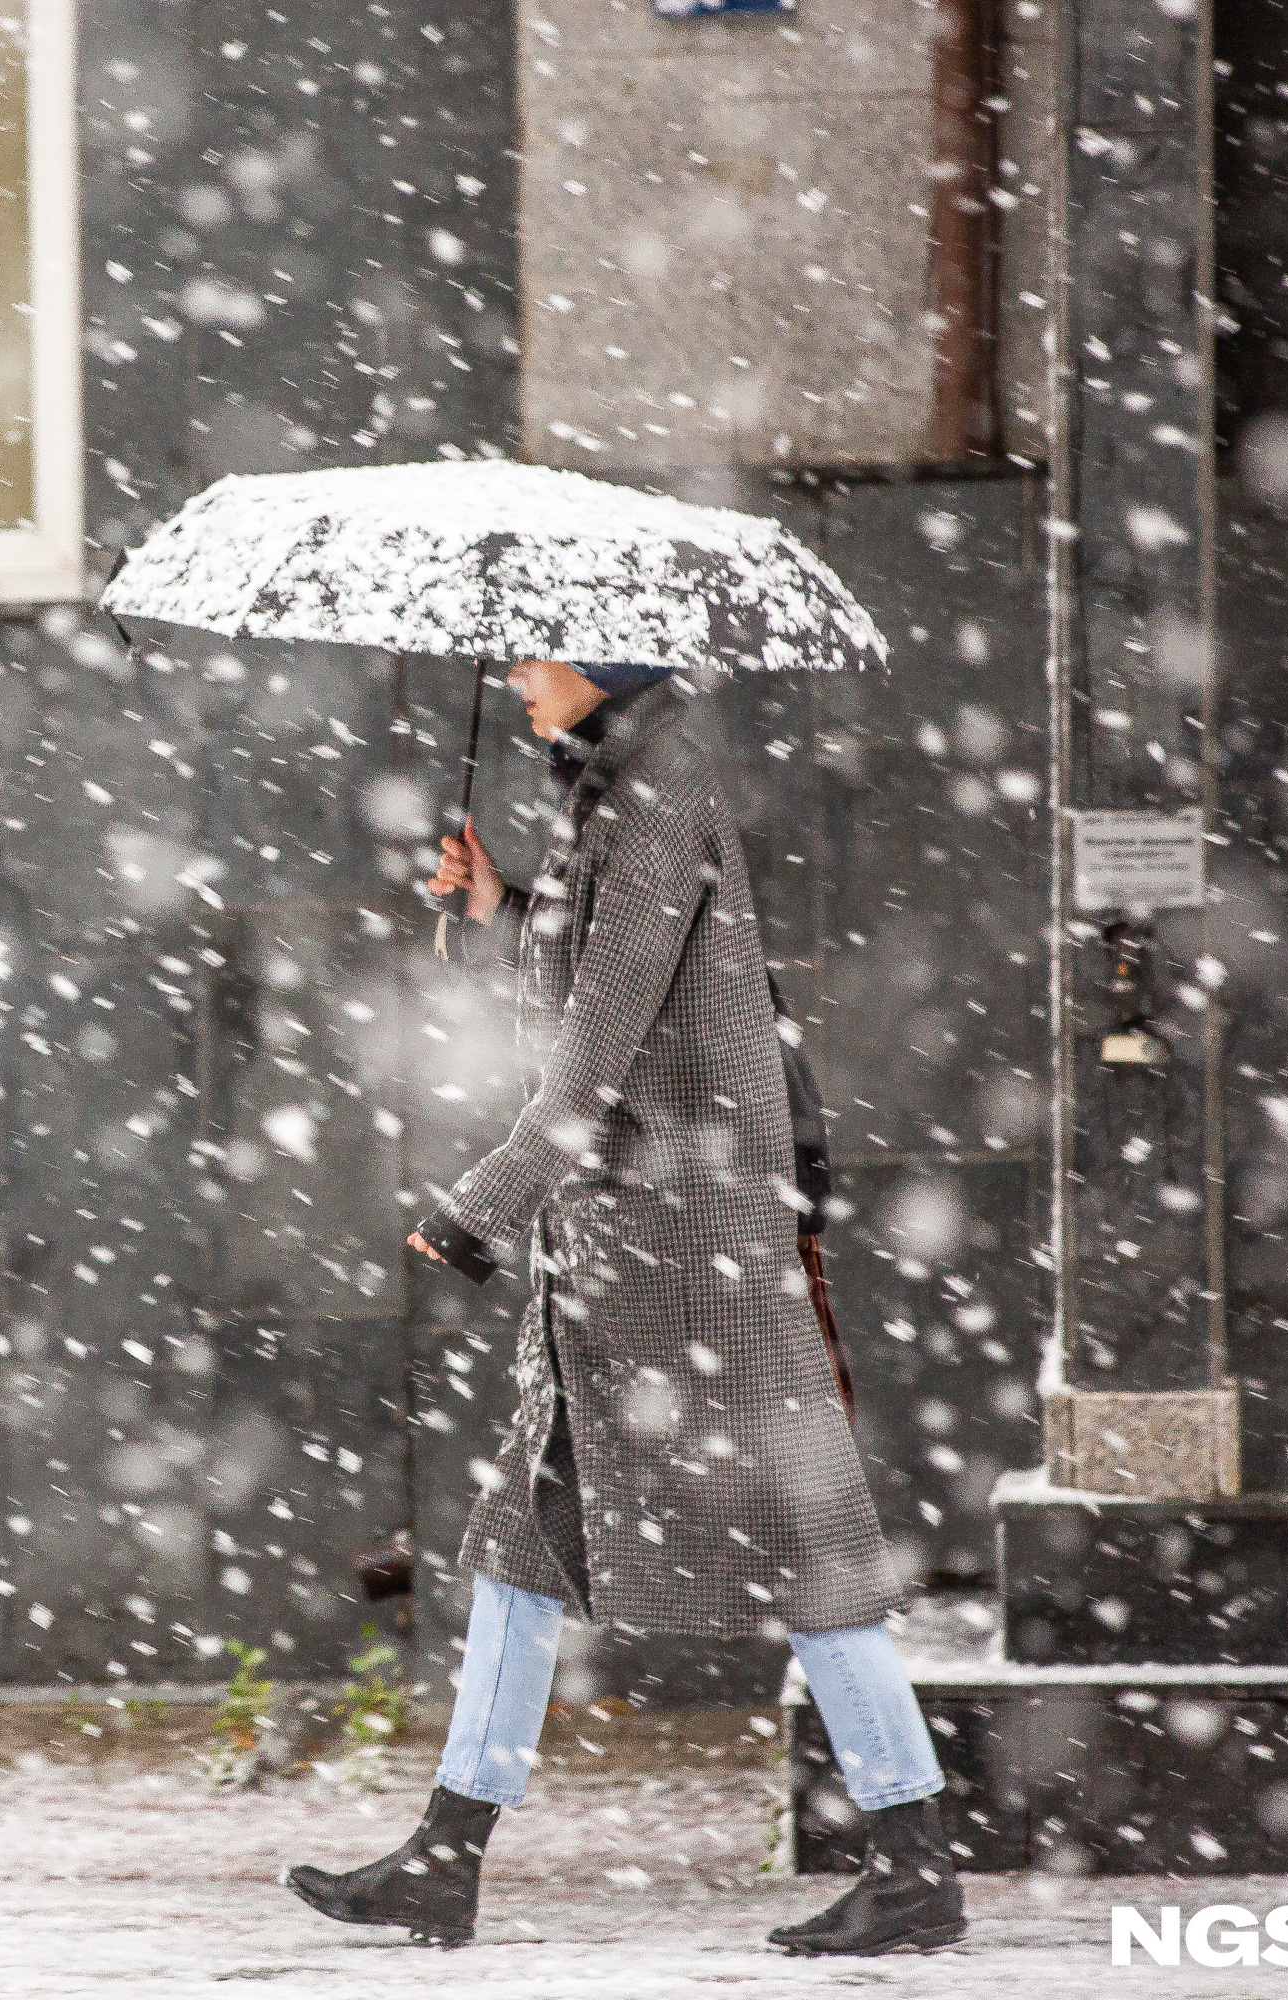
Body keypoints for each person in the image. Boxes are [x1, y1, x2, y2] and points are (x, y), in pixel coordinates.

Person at [283, 659, 964, 1958]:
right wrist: (505, 903)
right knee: (520, 1547)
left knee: (808, 1544)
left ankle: (918, 1861)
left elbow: (597, 1057)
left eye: (536, 654)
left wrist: (477, 1206)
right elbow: (615, 981)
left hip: (688, 1246)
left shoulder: (657, 793)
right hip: (640, 1249)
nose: (514, 677)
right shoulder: (620, 789)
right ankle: (447, 1850)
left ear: (604, 667)